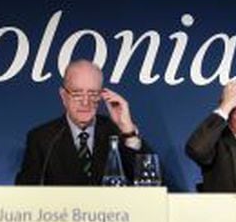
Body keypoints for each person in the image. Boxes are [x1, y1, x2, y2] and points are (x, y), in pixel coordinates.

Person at [15, 60, 152, 185]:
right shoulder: (43, 139)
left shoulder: (115, 131)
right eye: (77, 94)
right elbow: (25, 193)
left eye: (93, 93)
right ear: (63, 96)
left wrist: (127, 130)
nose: (85, 102)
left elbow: (149, 185)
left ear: (101, 95)